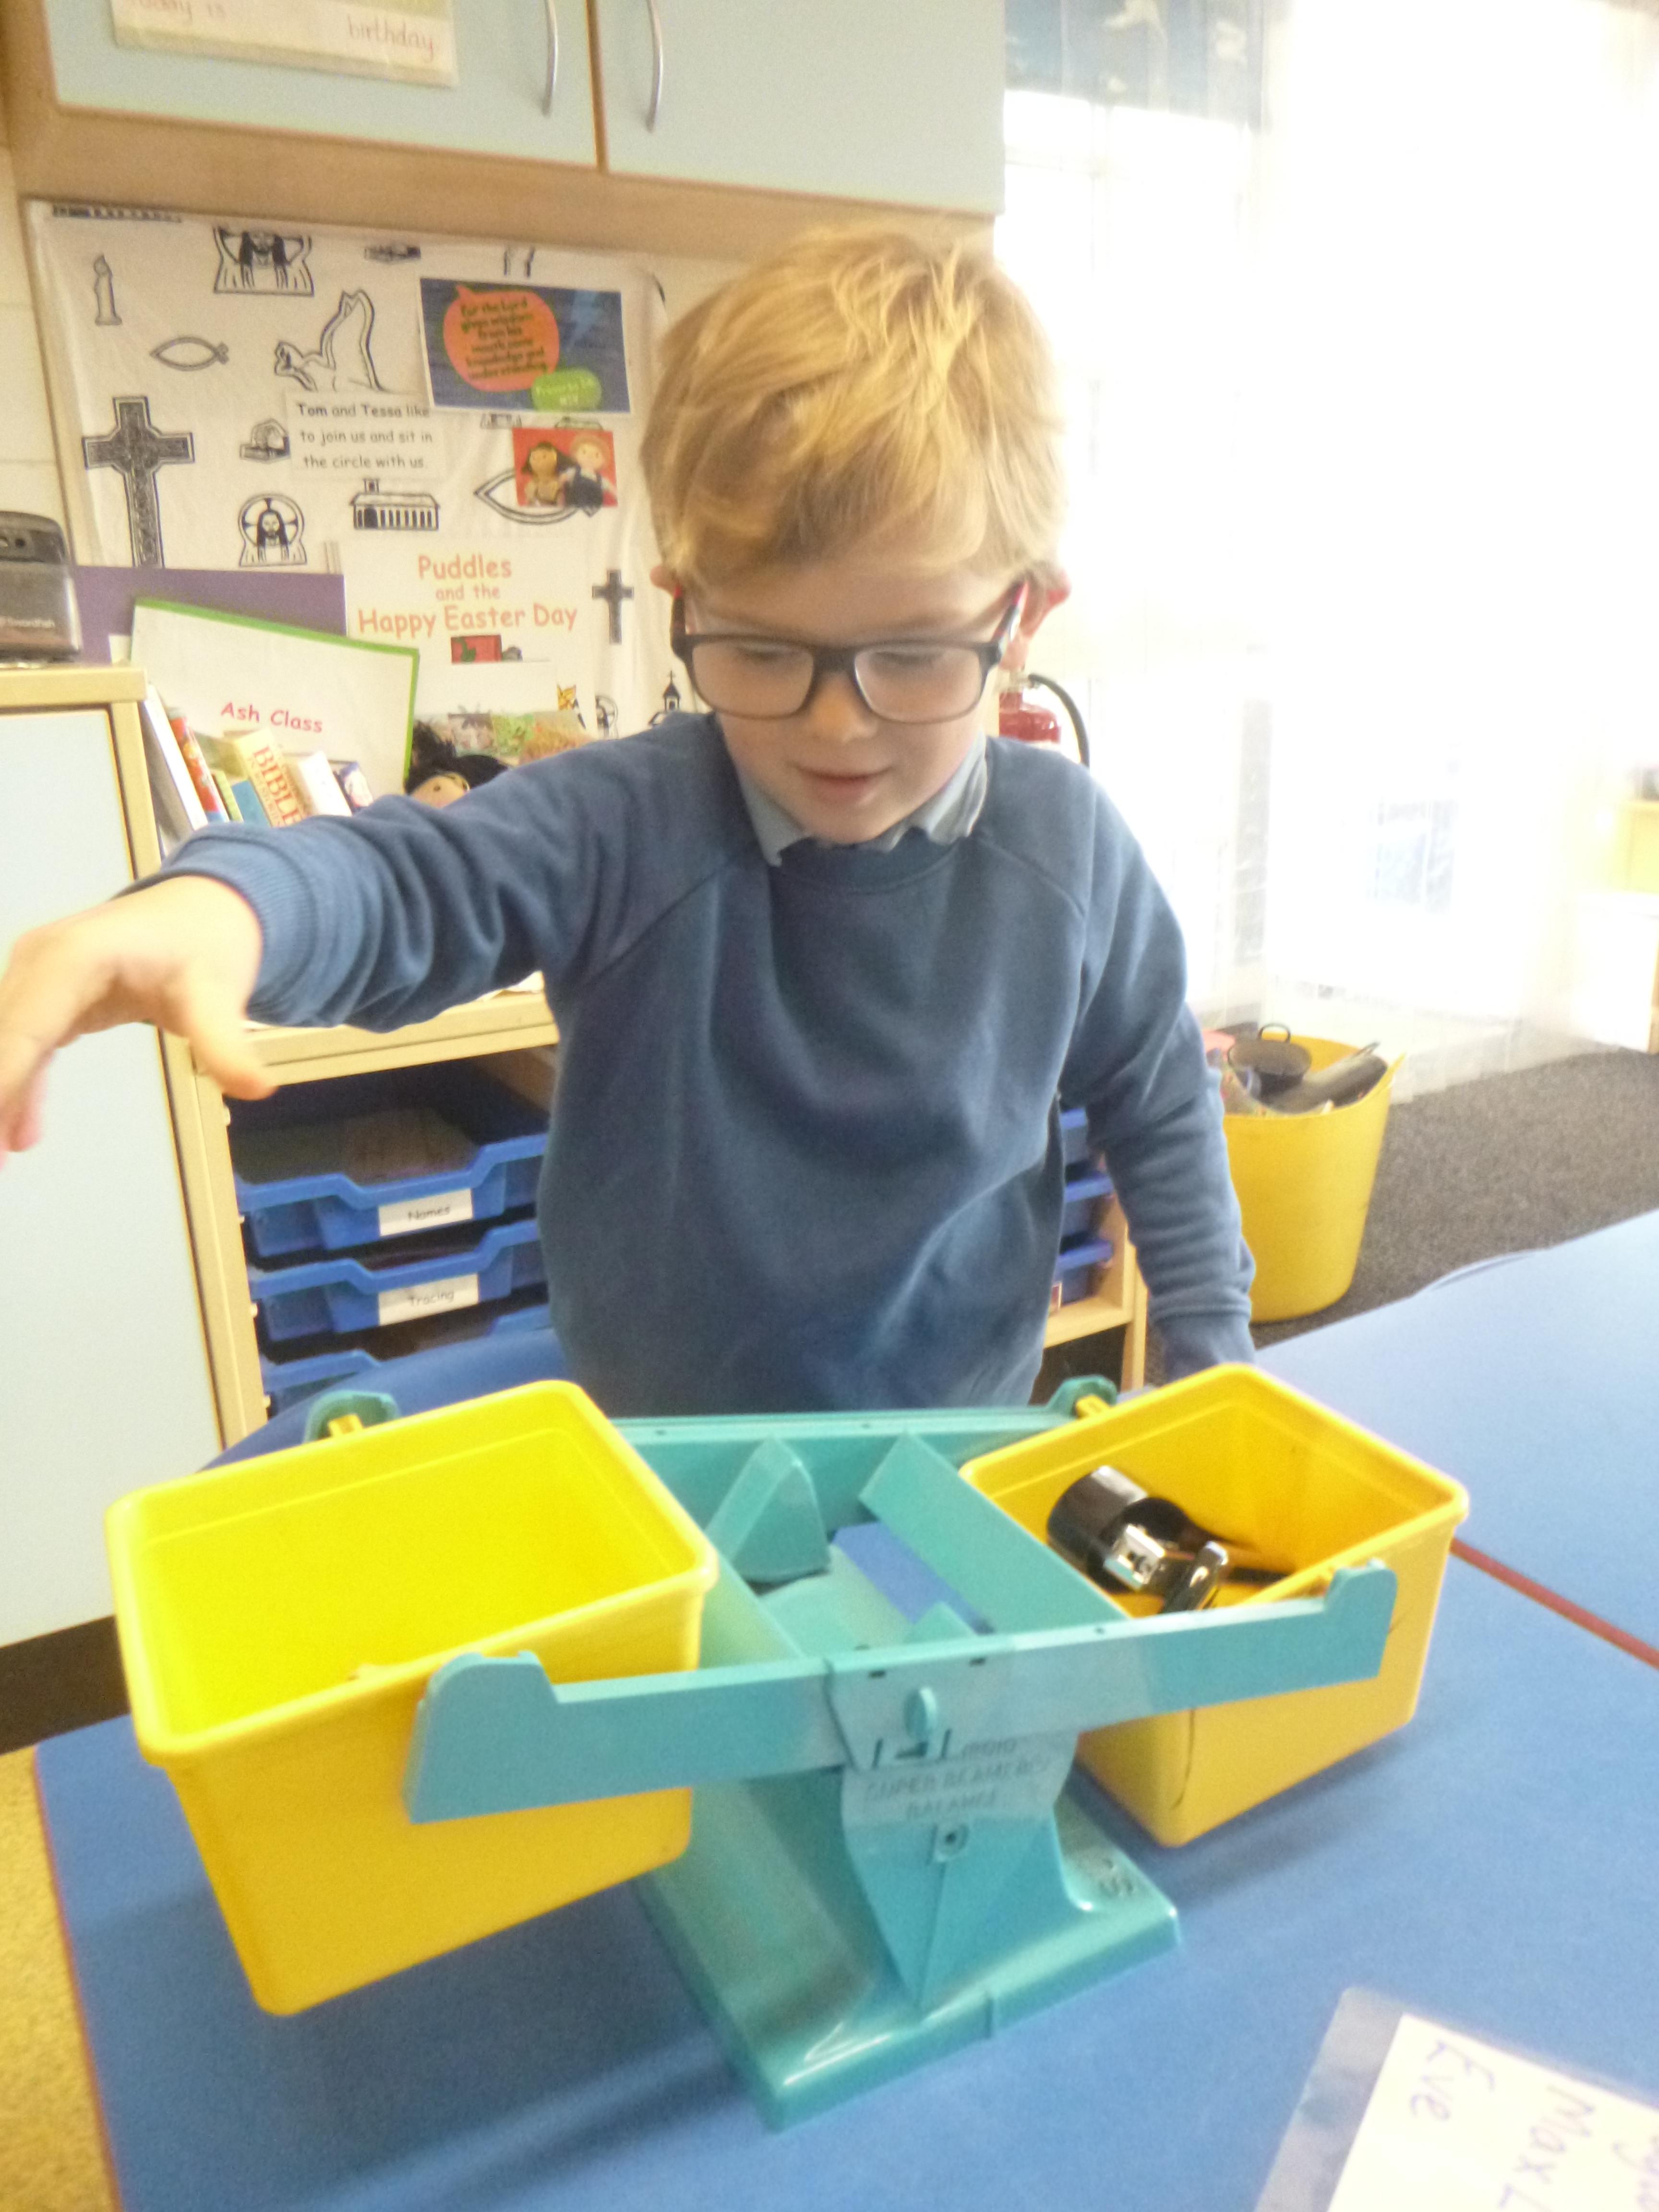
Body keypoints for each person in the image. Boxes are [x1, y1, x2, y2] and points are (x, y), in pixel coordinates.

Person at [0, 229, 1253, 1418]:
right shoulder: (624, 823)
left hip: (958, 1428)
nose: (838, 726)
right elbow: (409, 882)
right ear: (681, 606)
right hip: (655, 1442)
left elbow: (1156, 1091)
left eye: (916, 657)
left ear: (1022, 619)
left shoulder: (1071, 849)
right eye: (763, 650)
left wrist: (1207, 1350)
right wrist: (228, 906)